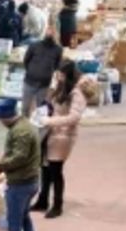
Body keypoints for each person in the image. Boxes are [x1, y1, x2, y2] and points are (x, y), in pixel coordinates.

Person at [32, 60, 88, 219]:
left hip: (63, 136)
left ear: (68, 75)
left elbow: (74, 117)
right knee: (45, 168)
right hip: (50, 133)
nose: (57, 76)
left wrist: (51, 121)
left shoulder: (77, 93)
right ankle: (42, 200)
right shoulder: (60, 87)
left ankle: (57, 205)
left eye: (61, 74)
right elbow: (53, 105)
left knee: (56, 171)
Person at [0, 99, 40, 231]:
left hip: (21, 183)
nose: (0, 123)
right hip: (30, 180)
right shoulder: (23, 125)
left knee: (13, 221)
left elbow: (19, 157)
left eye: (1, 120)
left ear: (6, 117)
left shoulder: (20, 132)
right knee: (24, 216)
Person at [21, 24, 63, 115]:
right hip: (29, 81)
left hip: (44, 85)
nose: (50, 33)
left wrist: (49, 73)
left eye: (53, 31)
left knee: (41, 109)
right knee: (25, 107)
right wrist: (31, 71)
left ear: (56, 34)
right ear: (45, 32)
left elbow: (57, 65)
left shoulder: (58, 49)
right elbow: (26, 60)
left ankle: (39, 124)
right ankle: (24, 123)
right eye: (49, 30)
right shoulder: (34, 46)